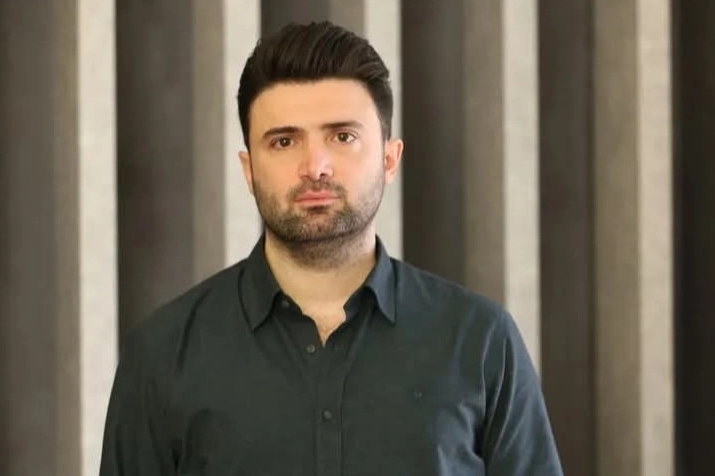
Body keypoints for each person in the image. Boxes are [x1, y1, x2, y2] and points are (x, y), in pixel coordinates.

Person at [99, 21, 563, 476]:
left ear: (389, 159)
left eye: (343, 137)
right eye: (284, 141)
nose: (315, 166)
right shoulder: (162, 355)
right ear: (249, 170)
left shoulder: (481, 342)